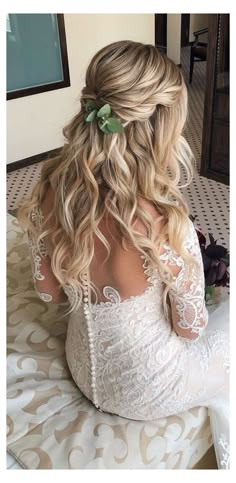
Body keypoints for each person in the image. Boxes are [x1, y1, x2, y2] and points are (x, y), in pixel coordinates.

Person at [17, 40, 229, 469]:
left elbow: (49, 295)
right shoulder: (166, 223)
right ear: (163, 124)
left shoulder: (47, 191)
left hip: (82, 367)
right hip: (151, 391)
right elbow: (189, 330)